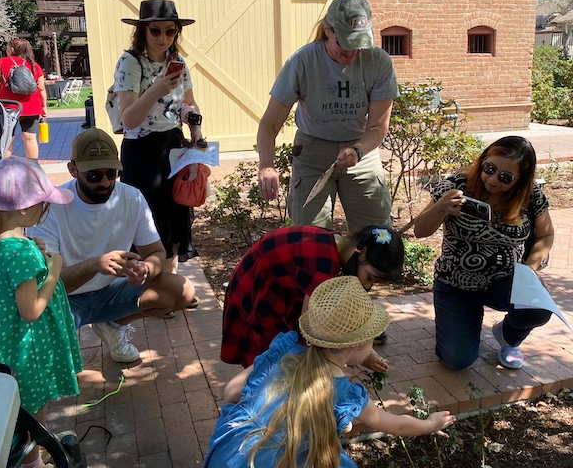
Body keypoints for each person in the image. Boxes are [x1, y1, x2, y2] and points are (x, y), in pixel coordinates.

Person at [206, 277, 456, 468]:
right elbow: (398, 425)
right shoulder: (343, 393)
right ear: (358, 345)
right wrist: (430, 424)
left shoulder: (285, 348)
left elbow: (231, 392)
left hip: (229, 450)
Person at [32, 128, 197, 363]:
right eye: (94, 176)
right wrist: (95, 265)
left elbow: (156, 252)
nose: (105, 182)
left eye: (112, 174)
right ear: (73, 169)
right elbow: (47, 284)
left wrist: (147, 269)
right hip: (64, 298)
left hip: (111, 291)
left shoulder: (131, 197)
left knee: (181, 290)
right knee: (43, 354)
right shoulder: (51, 206)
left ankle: (112, 326)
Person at [257, 0, 399, 232]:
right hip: (313, 153)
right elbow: (269, 124)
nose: (353, 54)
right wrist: (266, 165)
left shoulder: (378, 62)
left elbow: (377, 127)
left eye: (359, 45)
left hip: (361, 151)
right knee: (310, 239)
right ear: (328, 31)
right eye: (345, 44)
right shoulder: (303, 61)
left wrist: (357, 150)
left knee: (377, 238)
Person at [414, 136, 554, 370]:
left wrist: (528, 271)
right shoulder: (457, 184)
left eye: (505, 177)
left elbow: (545, 235)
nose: (492, 179)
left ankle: (509, 337)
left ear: (520, 180)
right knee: (457, 361)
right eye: (489, 168)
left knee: (538, 308)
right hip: (455, 283)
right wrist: (441, 208)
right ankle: (460, 324)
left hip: (506, 280)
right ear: (483, 161)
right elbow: (420, 230)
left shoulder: (531, 197)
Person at [221, 224, 404, 370]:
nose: (367, 286)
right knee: (270, 354)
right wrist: (358, 352)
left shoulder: (338, 246)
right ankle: (261, 398)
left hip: (278, 283)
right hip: (261, 285)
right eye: (370, 277)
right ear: (362, 251)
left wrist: (361, 349)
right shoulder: (324, 263)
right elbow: (310, 328)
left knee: (285, 347)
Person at [0, 156, 83, 468]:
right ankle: (34, 463)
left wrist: (34, 249)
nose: (45, 209)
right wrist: (53, 270)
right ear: (22, 207)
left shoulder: (7, 245)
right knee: (33, 413)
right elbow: (31, 309)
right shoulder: (18, 252)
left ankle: (32, 457)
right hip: (29, 349)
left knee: (19, 414)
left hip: (8, 346)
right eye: (42, 203)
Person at [114, 0, 205, 273]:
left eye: (170, 31)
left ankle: (169, 284)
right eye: (156, 31)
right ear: (143, 31)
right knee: (147, 220)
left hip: (173, 146)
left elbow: (188, 103)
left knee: (176, 214)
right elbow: (127, 118)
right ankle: (146, 285)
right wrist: (157, 88)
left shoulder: (178, 62)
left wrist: (196, 127)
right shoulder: (130, 62)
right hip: (142, 151)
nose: (163, 38)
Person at [0, 38, 47, 159]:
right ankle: (32, 167)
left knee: (7, 138)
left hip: (8, 106)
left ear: (12, 49)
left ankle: (6, 168)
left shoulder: (2, 62)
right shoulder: (34, 65)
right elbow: (41, 88)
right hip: (32, 105)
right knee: (30, 137)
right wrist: (44, 106)